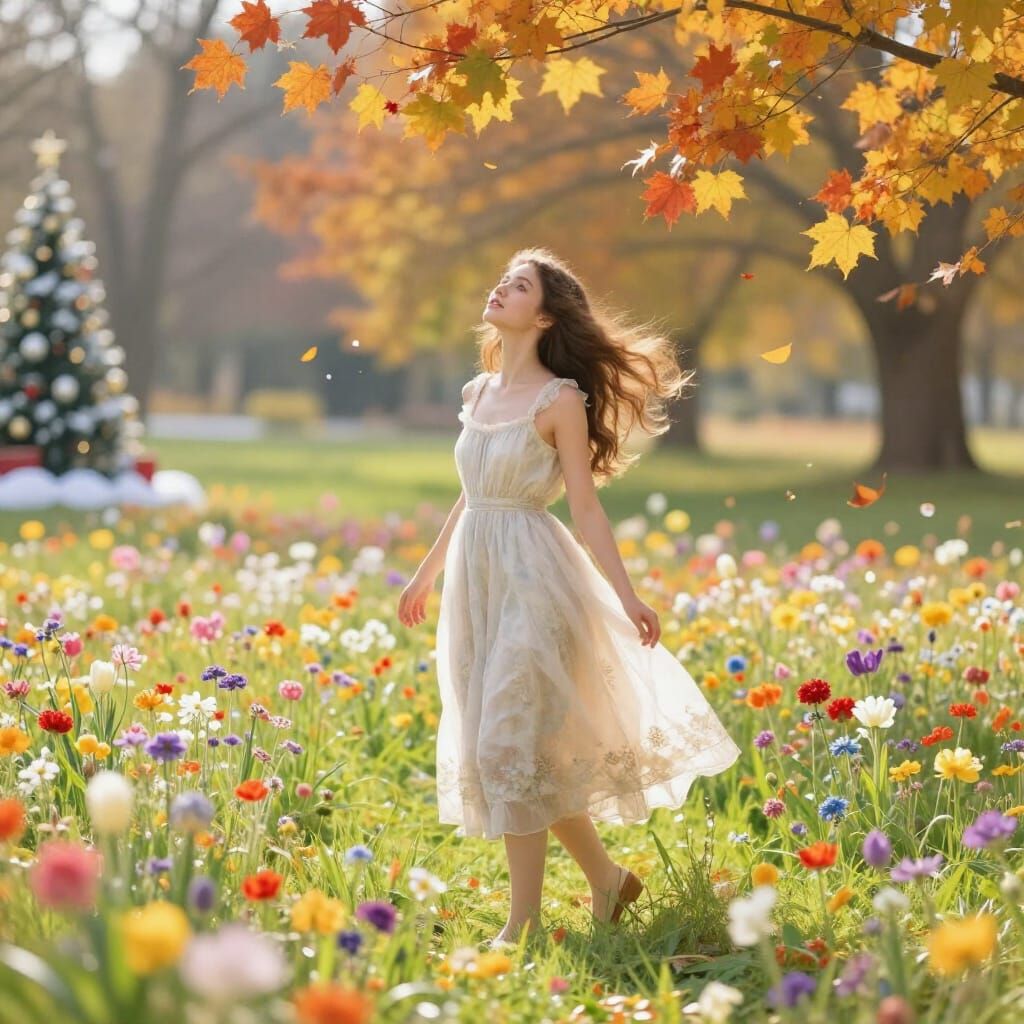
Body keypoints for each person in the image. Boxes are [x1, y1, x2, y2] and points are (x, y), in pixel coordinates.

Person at [398, 246, 740, 947]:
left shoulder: (561, 401)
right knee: (519, 753)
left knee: (508, 746)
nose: (500, 289)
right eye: (503, 280)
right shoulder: (478, 393)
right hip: (476, 580)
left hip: (534, 579)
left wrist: (629, 596)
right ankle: (610, 882)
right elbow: (472, 494)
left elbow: (586, 510)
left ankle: (520, 925)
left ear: (545, 314)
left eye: (517, 286)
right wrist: (427, 571)